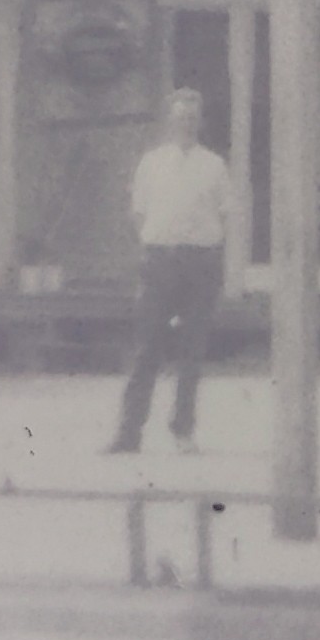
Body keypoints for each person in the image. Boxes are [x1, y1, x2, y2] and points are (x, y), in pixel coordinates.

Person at [114, 87, 236, 454]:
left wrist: (203, 248)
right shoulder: (151, 163)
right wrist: (159, 246)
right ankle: (128, 433)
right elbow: (139, 213)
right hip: (160, 263)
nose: (186, 123)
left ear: (200, 123)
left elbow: (227, 215)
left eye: (192, 118)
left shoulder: (214, 165)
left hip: (199, 264)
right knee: (146, 349)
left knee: (191, 351)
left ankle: (183, 431)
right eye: (180, 117)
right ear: (169, 121)